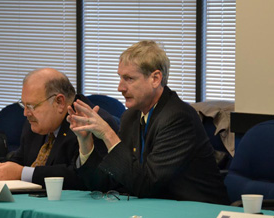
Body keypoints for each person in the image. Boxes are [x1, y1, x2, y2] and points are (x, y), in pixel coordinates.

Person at [67, 40, 230, 204]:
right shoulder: (131, 116)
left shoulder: (178, 118)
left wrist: (107, 133)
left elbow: (147, 185)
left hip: (199, 215)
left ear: (155, 78)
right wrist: (85, 142)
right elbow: (111, 182)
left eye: (129, 78)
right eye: (120, 78)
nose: (120, 87)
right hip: (156, 209)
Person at [0, 68, 119, 190]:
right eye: (24, 105)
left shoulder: (92, 123)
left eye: (31, 106)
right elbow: (20, 159)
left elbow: (78, 177)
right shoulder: (37, 123)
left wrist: (22, 173)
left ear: (59, 102)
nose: (25, 113)